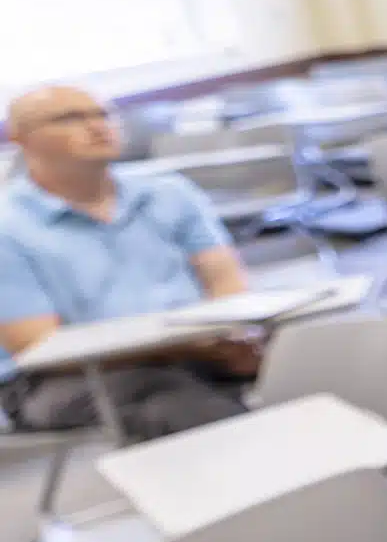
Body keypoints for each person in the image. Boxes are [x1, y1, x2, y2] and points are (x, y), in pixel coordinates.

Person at [0, 85, 261, 439]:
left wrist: (233, 334)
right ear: (21, 139)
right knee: (176, 402)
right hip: (60, 377)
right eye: (69, 118)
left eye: (103, 114)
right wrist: (191, 347)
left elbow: (224, 279)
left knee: (321, 359)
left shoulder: (170, 193)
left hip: (196, 349)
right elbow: (39, 346)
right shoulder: (8, 225)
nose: (97, 126)